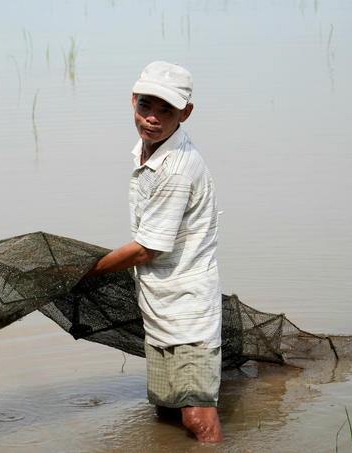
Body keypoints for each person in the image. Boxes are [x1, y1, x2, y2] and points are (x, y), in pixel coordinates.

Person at [82, 61, 224, 442]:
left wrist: (88, 271)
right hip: (158, 303)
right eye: (147, 105)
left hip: (189, 309)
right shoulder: (146, 152)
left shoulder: (176, 169)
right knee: (165, 411)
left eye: (167, 110)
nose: (153, 118)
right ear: (133, 100)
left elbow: (146, 249)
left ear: (186, 113)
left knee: (197, 418)